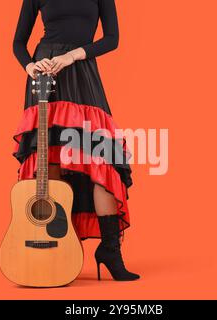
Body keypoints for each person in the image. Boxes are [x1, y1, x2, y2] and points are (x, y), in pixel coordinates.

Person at [11, 0, 139, 281]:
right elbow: (18, 42)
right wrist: (30, 66)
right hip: (45, 75)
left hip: (81, 70)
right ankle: (57, 249)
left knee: (102, 157)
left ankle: (110, 250)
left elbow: (112, 39)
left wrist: (73, 55)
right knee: (50, 160)